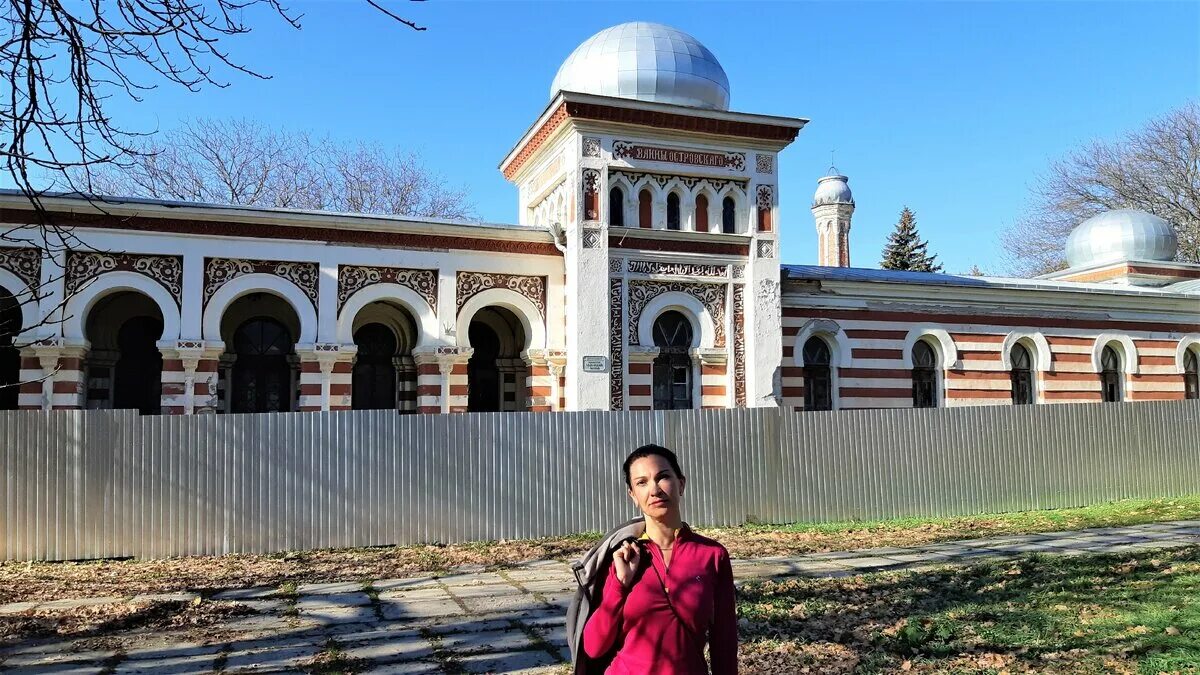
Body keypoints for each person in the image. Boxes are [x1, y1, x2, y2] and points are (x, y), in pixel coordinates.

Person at [582, 444, 737, 674]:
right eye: (642, 482)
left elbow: (724, 642)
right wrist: (619, 585)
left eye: (663, 477)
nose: (654, 490)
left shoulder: (712, 555)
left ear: (681, 484)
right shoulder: (621, 557)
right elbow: (593, 648)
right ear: (633, 495)